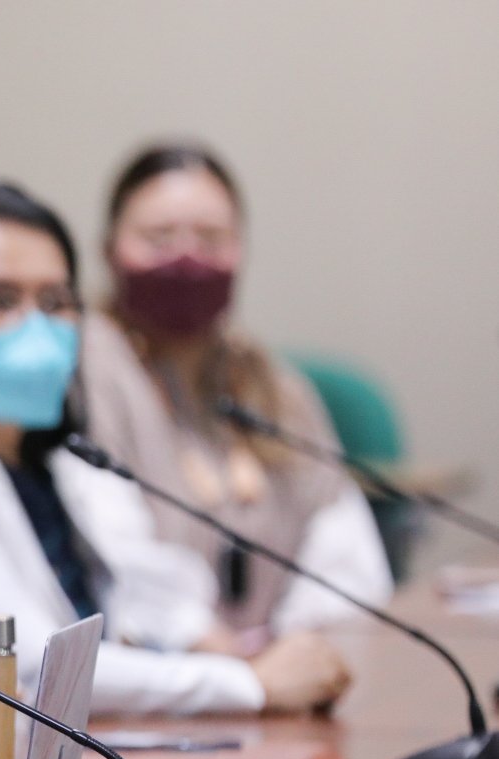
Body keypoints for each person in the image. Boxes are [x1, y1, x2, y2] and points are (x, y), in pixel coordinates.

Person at [0, 181, 353, 717]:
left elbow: (152, 591)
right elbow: (20, 663)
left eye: (55, 302)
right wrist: (249, 686)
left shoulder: (62, 459)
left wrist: (232, 653)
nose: (35, 328)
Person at [83, 143, 392, 644]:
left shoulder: (272, 382)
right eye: (158, 237)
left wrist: (302, 644)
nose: (186, 259)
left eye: (210, 238)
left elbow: (341, 547)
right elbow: (114, 557)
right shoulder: (90, 371)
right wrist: (227, 660)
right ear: (109, 250)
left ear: (241, 250)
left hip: (291, 672)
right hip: (167, 680)